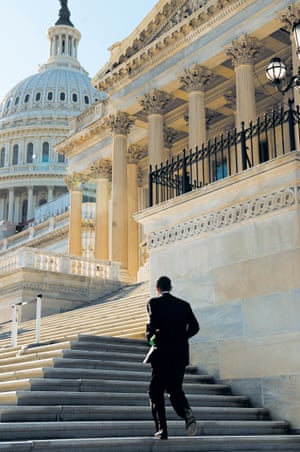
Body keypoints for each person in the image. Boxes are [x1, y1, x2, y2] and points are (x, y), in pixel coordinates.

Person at [145, 275, 200, 440]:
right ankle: (186, 411)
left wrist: (151, 340)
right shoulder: (184, 305)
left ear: (157, 288)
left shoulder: (153, 303)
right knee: (175, 389)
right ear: (171, 287)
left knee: (155, 391)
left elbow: (151, 327)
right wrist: (182, 338)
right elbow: (195, 326)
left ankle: (162, 430)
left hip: (162, 353)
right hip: (180, 354)